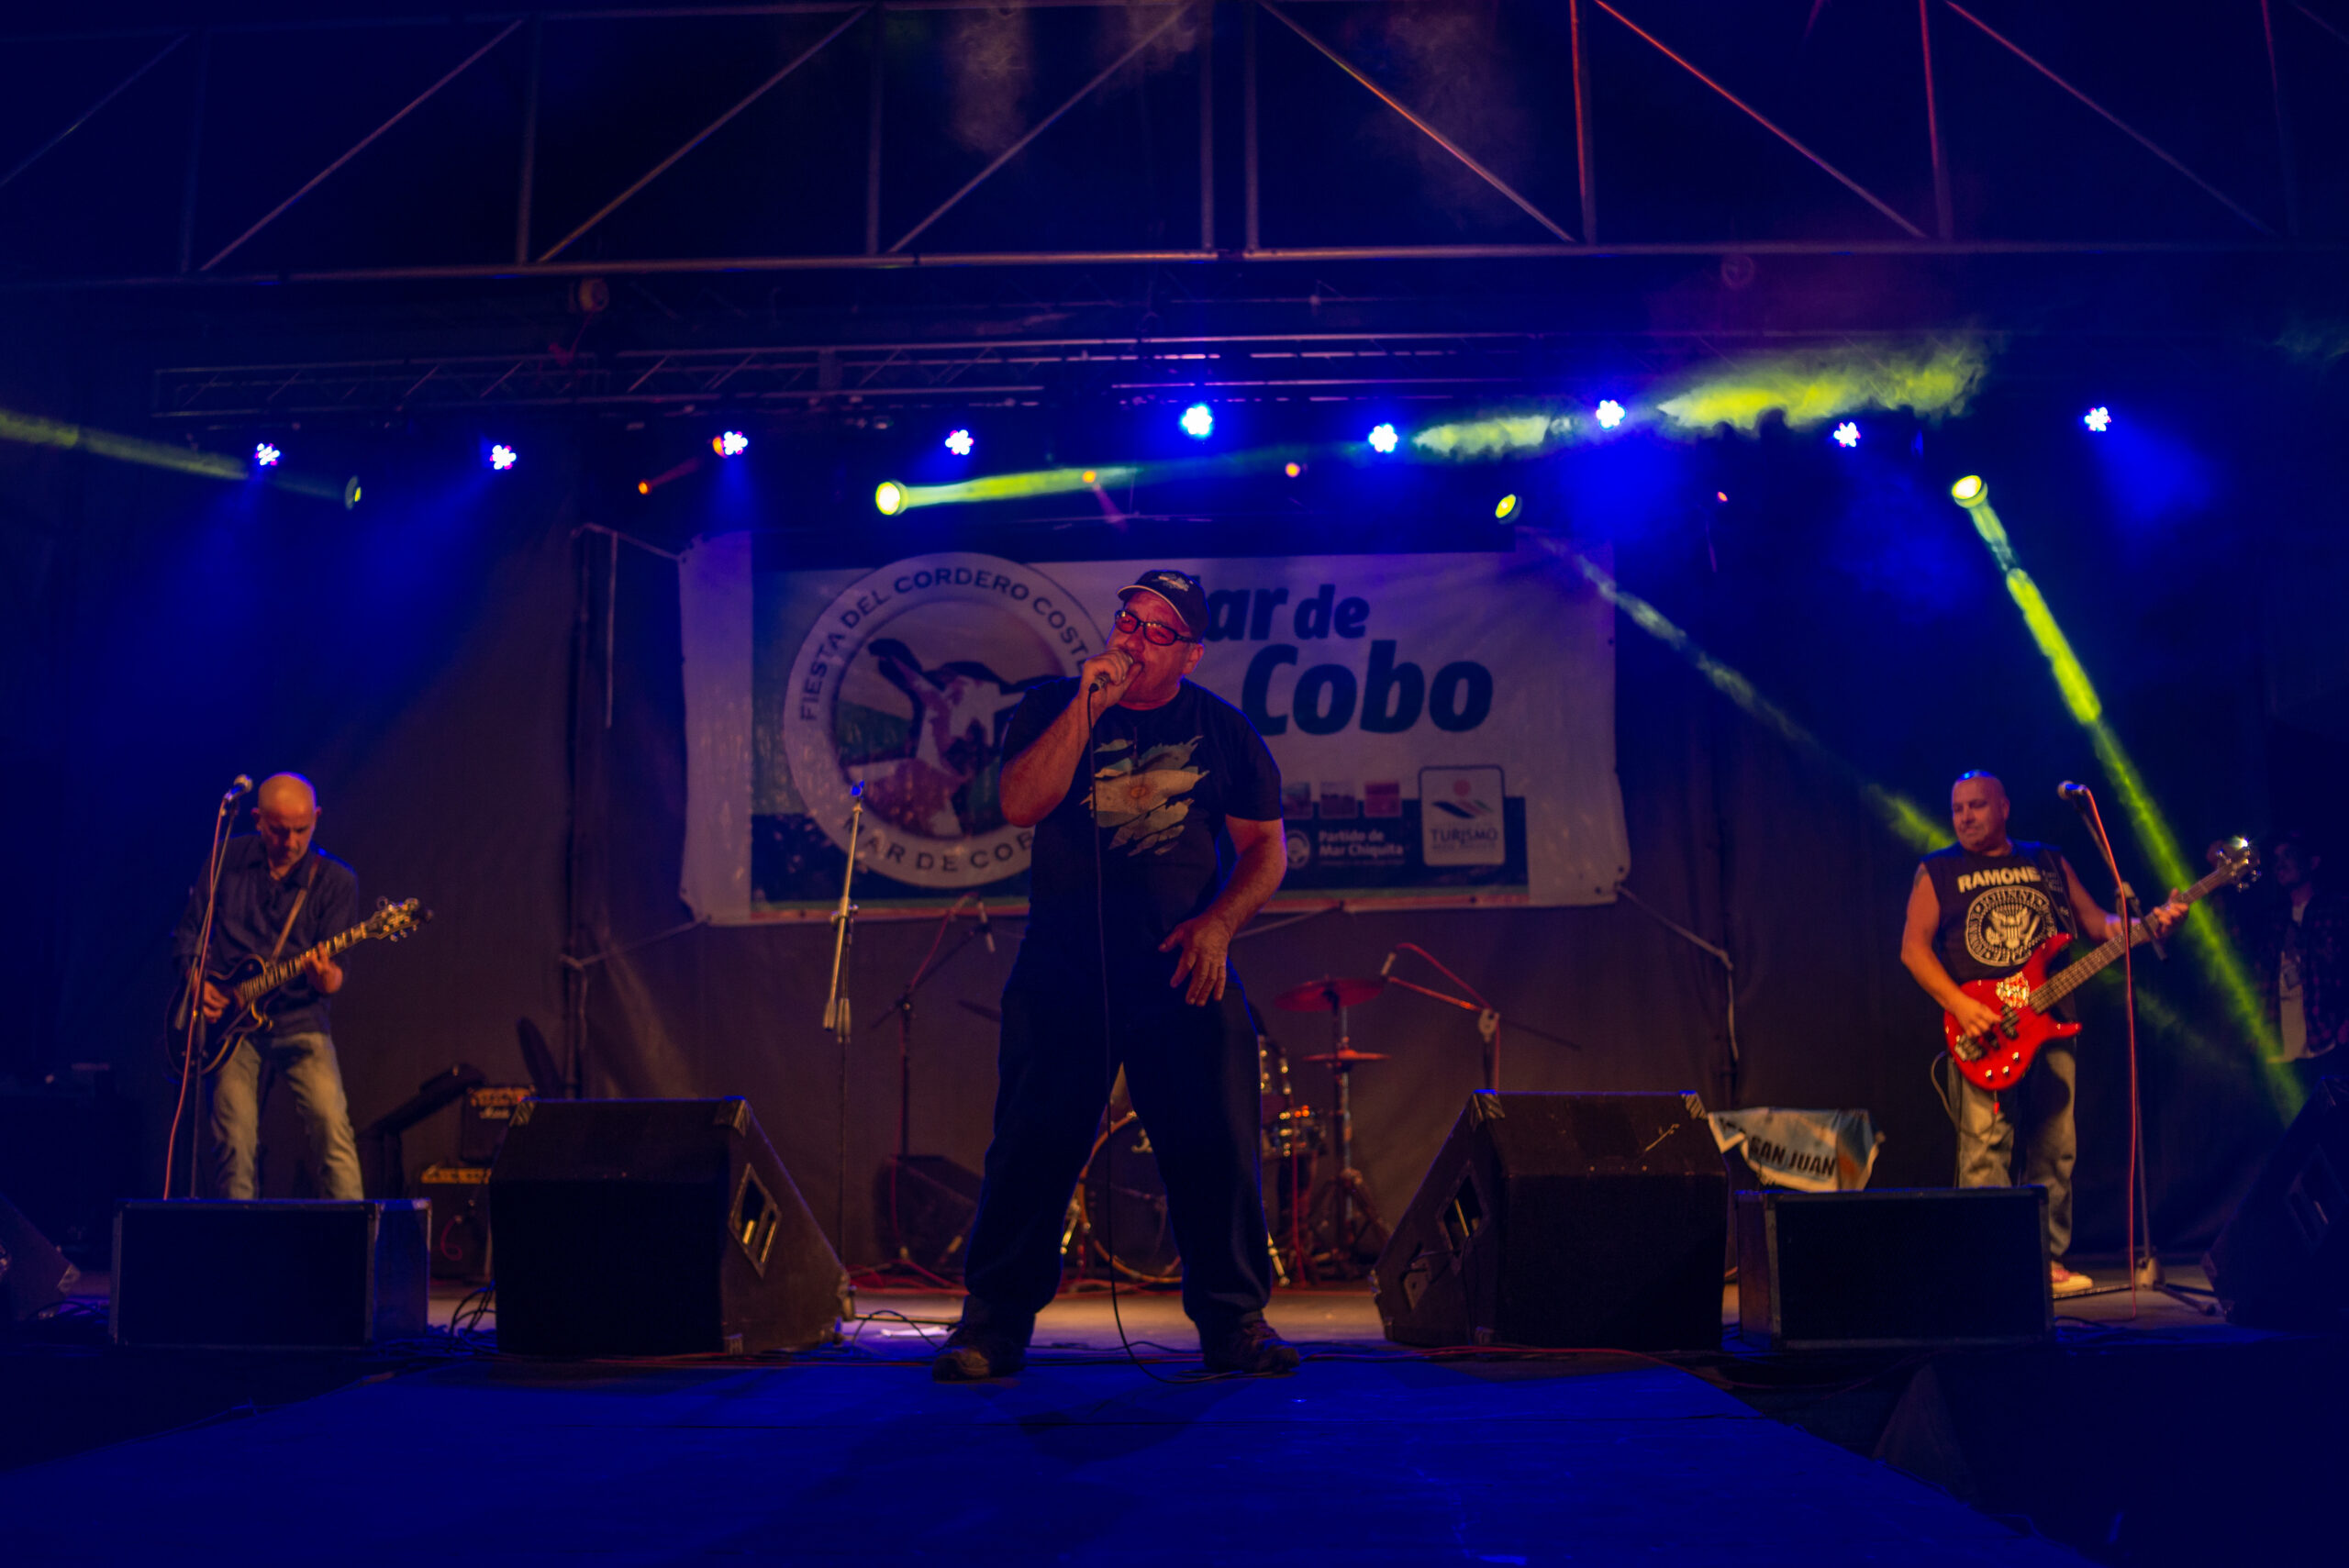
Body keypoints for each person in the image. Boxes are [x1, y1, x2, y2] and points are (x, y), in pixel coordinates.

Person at [935, 570, 1296, 1380]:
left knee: (1216, 1143)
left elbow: (1266, 848)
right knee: (1031, 1145)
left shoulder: (1223, 731)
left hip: (1180, 966)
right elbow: (1021, 803)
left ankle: (1235, 1322)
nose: (1134, 638)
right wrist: (1087, 706)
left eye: (1158, 631)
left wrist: (1219, 924)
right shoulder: (1052, 707)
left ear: (1190, 655)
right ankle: (992, 1326)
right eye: (1129, 619)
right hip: (1065, 966)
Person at [1898, 772, 2184, 1296]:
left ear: (2004, 807)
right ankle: (1988, 1270)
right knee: (1985, 1150)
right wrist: (1960, 1005)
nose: (1965, 817)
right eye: (1958, 808)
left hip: (2051, 1021)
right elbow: (1913, 949)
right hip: (1986, 1027)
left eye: (1977, 805)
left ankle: (2045, 1261)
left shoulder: (2046, 861)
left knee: (2055, 1145)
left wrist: (2150, 925)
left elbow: (2099, 925)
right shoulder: (1938, 869)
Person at [173, 773, 365, 1201]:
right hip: (231, 1029)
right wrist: (196, 981)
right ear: (258, 819)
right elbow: (187, 935)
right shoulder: (226, 859)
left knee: (333, 1132)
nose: (291, 842)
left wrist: (325, 978)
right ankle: (240, 1240)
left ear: (317, 818)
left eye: (302, 830)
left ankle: (356, 1235)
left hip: (301, 1019)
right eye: (279, 831)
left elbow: (337, 973)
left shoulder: (336, 881)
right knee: (233, 1144)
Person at [2255, 831, 2349, 1091]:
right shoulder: (2272, 918)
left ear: (2312, 862)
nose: (2280, 864)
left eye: (2289, 856)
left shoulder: (2338, 909)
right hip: (2279, 1045)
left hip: (2326, 1037)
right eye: (2276, 859)